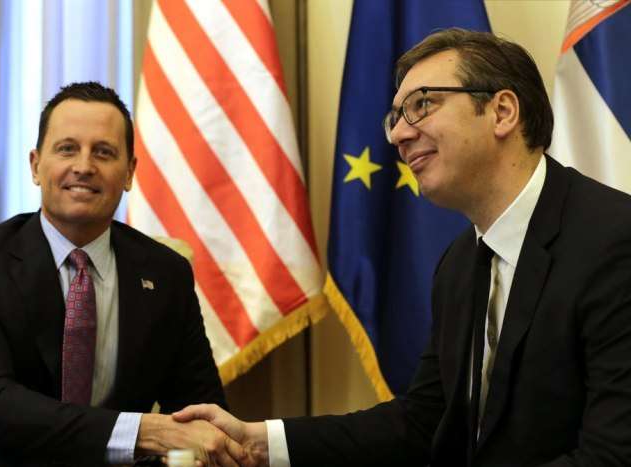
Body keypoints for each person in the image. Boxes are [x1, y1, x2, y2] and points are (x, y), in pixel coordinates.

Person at [171, 29, 631, 466]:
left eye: (422, 104)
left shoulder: (614, 240)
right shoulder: (459, 264)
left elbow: (612, 454)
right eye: (395, 117)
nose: (397, 135)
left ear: (503, 112)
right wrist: (260, 442)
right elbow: (423, 422)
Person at [0, 82, 248, 467]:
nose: (84, 166)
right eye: (67, 148)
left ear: (129, 172)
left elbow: (199, 408)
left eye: (104, 152)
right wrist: (144, 432)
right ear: (35, 165)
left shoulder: (167, 273)